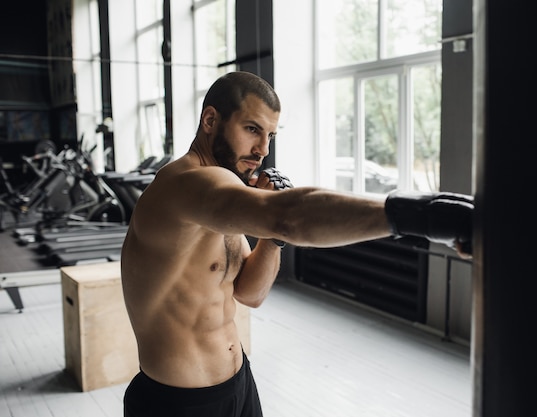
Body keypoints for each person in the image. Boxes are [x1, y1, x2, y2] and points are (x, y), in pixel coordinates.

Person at [120, 71, 473, 417]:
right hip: (177, 403)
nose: (263, 150)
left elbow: (249, 294)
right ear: (210, 120)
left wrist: (273, 240)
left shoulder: (222, 195)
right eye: (252, 129)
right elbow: (290, 217)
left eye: (271, 135)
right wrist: (424, 216)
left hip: (237, 383)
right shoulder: (186, 185)